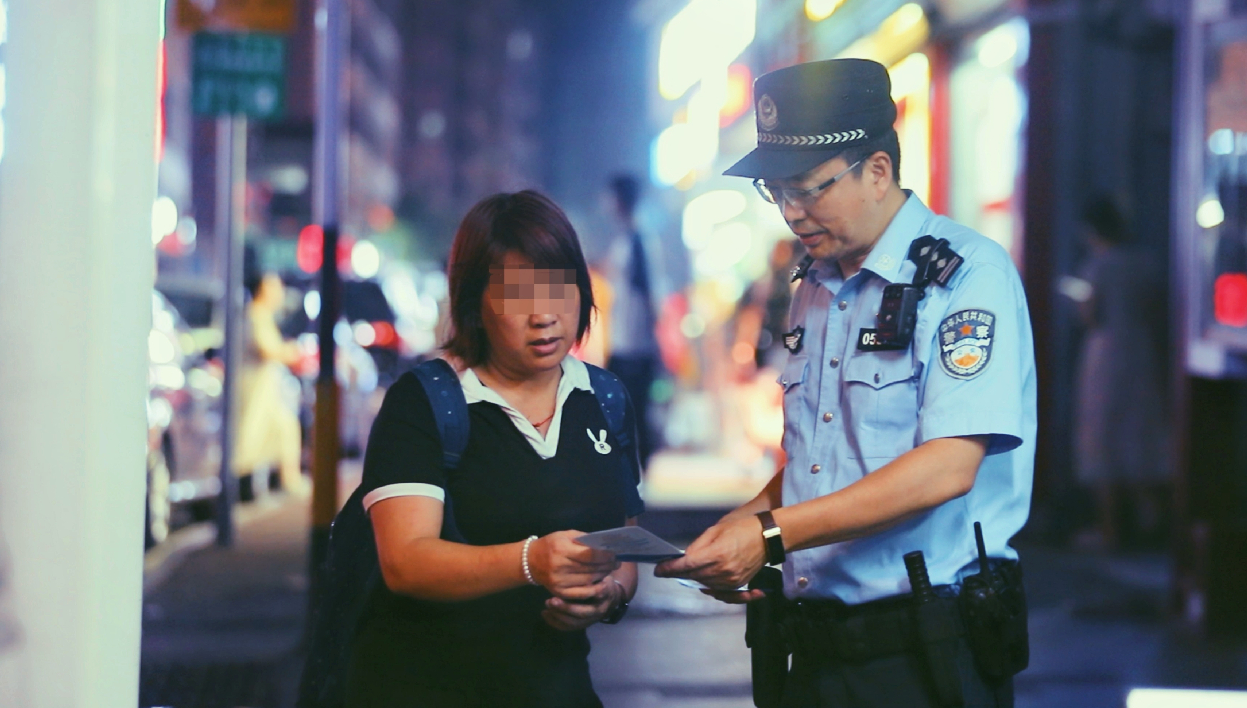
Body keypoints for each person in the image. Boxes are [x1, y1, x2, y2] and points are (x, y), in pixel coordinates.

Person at [656, 59, 1036, 707]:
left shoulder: (967, 276)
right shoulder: (815, 285)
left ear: (878, 171)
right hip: (815, 646)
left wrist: (771, 534)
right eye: (777, 192)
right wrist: (739, 527)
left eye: (809, 189)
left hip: (924, 647)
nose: (791, 212)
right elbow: (822, 462)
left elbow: (946, 467)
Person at [345, 190, 643, 708]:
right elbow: (405, 562)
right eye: (517, 296)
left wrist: (608, 595)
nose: (544, 316)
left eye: (559, 288)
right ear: (474, 305)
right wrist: (532, 561)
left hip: (560, 691)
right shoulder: (427, 401)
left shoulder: (606, 399)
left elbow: (624, 551)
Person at [1072, 195, 1169, 550]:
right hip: (1141, 350)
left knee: (1102, 437)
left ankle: (1109, 528)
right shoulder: (1145, 262)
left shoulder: (1097, 266)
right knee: (1139, 433)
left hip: (1106, 351)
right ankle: (1152, 516)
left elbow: (1089, 313)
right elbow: (1157, 310)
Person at [600, 173, 663, 469]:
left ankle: (636, 472)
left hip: (633, 345)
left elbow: (646, 292)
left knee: (631, 411)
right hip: (627, 342)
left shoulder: (637, 240)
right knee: (626, 410)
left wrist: (650, 341)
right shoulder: (629, 238)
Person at [233, 270, 305, 494]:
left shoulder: (260, 315)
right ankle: (240, 485)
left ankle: (288, 479)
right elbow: (267, 349)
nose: (279, 293)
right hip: (253, 389)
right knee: (249, 437)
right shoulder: (255, 315)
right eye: (274, 287)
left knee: (282, 430)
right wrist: (292, 352)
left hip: (264, 390)